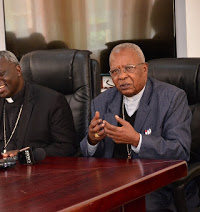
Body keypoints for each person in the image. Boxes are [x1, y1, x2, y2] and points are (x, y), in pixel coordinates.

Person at [80, 43, 197, 211]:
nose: (122, 76)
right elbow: (87, 154)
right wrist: (92, 140)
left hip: (156, 185)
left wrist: (137, 140)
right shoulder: (101, 102)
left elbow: (180, 151)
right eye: (115, 71)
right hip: (111, 183)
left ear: (144, 69)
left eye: (129, 68)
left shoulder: (172, 98)